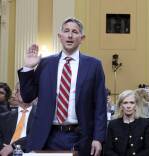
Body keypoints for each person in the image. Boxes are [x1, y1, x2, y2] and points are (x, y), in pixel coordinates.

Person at [17, 17, 107, 156]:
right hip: (46, 136)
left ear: (82, 38)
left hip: (79, 136)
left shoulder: (94, 65)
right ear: (60, 36)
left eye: (75, 32)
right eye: (66, 31)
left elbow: (100, 105)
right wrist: (28, 68)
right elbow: (28, 96)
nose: (70, 35)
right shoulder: (46, 63)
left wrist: (98, 138)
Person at [104, 90, 149, 156]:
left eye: (132, 103)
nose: (128, 106)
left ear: (136, 105)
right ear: (121, 106)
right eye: (125, 103)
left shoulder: (146, 124)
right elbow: (108, 150)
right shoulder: (113, 125)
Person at [0, 82, 36, 156]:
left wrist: (13, 146)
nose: (25, 93)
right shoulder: (4, 117)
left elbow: (37, 136)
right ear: (16, 93)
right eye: (21, 90)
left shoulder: (41, 116)